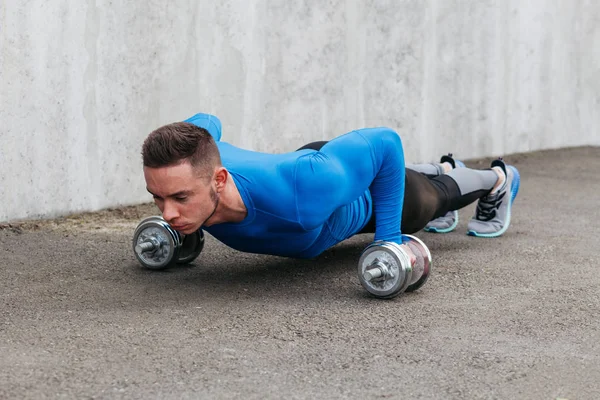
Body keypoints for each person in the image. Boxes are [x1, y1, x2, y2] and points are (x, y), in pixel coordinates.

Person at [141, 113, 520, 263]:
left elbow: (384, 141)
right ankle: (437, 170)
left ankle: (498, 180)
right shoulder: (198, 167)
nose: (168, 215)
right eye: (157, 198)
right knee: (402, 176)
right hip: (317, 170)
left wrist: (388, 241)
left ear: (218, 180)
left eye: (180, 198)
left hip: (356, 196)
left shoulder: (300, 198)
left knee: (431, 199)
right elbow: (207, 121)